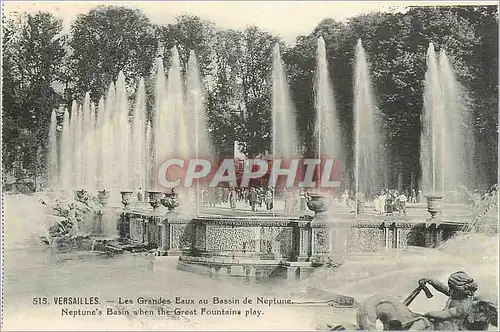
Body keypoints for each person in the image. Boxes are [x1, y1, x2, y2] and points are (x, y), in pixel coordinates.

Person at [412, 271, 480, 330]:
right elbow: (442, 287)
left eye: (452, 289)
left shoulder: (463, 306)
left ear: (461, 291)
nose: (449, 290)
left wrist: (428, 314)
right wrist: (430, 280)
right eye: (450, 287)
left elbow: (445, 314)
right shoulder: (457, 294)